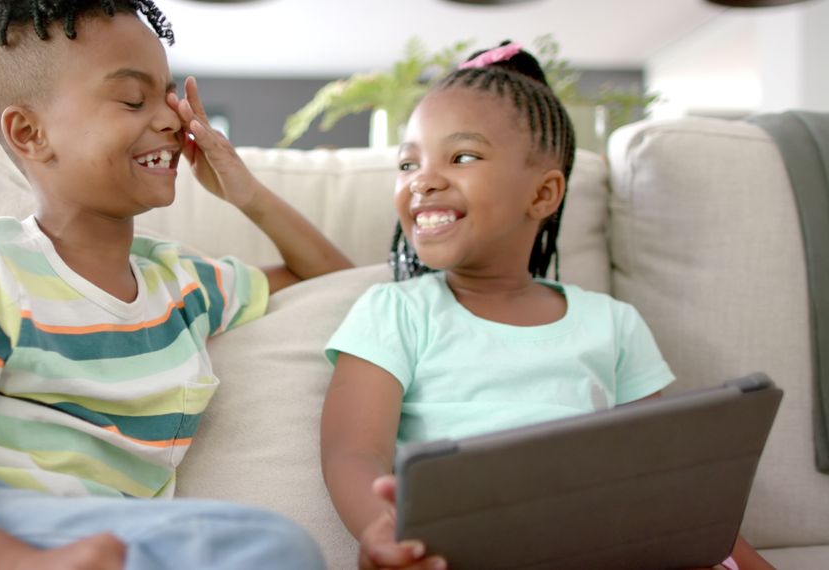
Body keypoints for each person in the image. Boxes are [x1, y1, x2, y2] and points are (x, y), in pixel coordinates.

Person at [0, 2, 351, 569]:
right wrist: (9, 562)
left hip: (98, 536)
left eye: (169, 95)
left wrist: (248, 194)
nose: (172, 118)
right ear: (30, 133)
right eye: (132, 99)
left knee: (270, 547)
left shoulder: (184, 286)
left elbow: (334, 282)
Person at [320, 42, 771, 570]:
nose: (423, 178)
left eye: (462, 156)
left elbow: (661, 478)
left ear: (543, 195)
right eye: (407, 162)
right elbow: (352, 452)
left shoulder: (612, 323)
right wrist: (383, 530)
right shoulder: (394, 312)